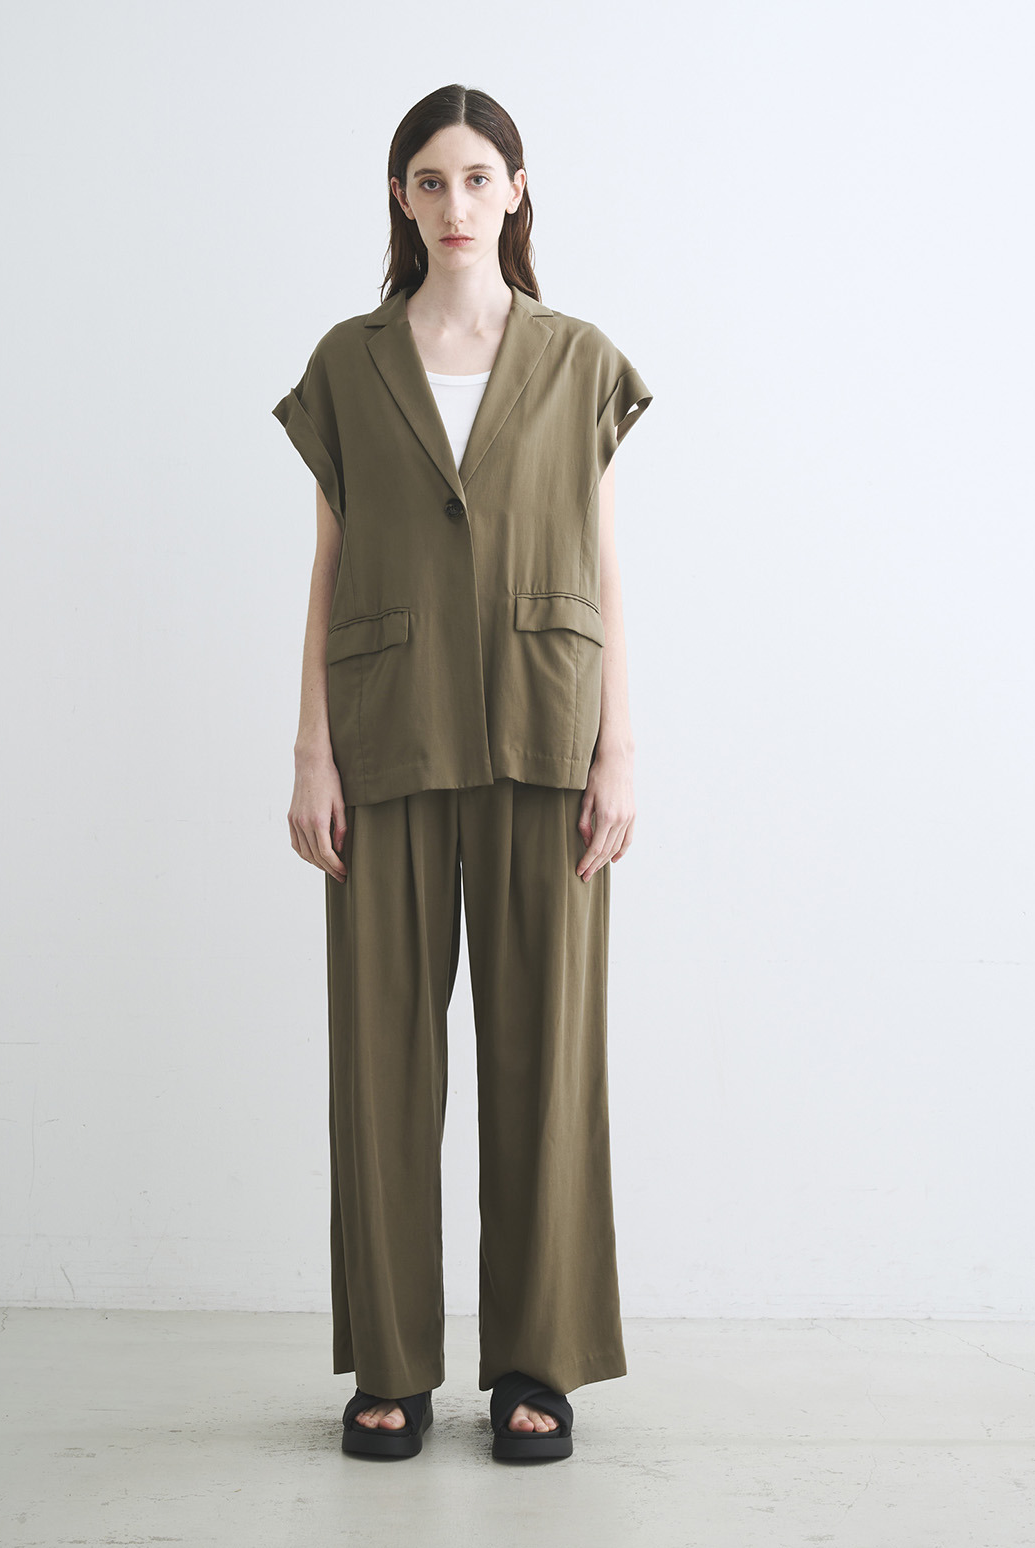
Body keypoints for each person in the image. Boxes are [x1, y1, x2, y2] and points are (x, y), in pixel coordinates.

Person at [272, 83, 652, 1462]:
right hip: (385, 730)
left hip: (546, 726)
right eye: (429, 181)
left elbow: (601, 554)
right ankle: (391, 1364)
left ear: (516, 189)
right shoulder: (350, 361)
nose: (454, 204)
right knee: (381, 1056)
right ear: (400, 197)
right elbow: (328, 559)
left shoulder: (576, 358)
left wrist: (620, 745)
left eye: (477, 177)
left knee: (545, 1054)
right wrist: (310, 748)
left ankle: (537, 1363)